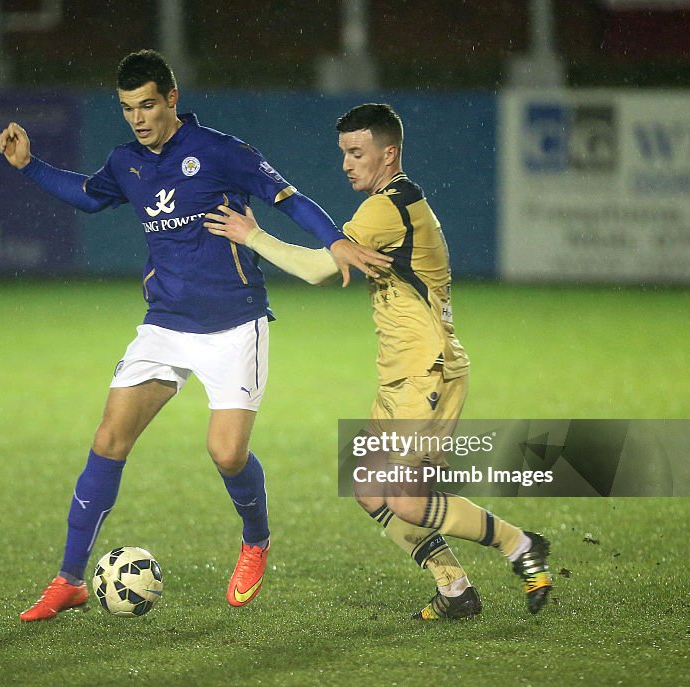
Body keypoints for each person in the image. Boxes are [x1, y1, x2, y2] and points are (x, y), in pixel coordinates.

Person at [0, 50, 391, 621]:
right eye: (129, 108)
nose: (138, 117)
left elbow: (291, 199)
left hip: (236, 324)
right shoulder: (125, 163)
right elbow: (88, 195)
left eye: (148, 104)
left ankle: (255, 538)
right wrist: (30, 165)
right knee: (109, 439)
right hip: (165, 324)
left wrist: (335, 242)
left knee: (226, 454)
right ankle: (69, 579)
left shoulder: (221, 152)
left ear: (172, 99)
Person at [205, 103, 552, 619]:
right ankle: (454, 589)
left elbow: (321, 270)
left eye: (357, 152)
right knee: (369, 486)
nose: (347, 163)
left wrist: (251, 236)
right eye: (343, 152)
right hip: (404, 373)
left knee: (407, 499)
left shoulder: (385, 209)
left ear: (388, 154)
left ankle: (521, 545)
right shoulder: (397, 202)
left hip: (424, 372)